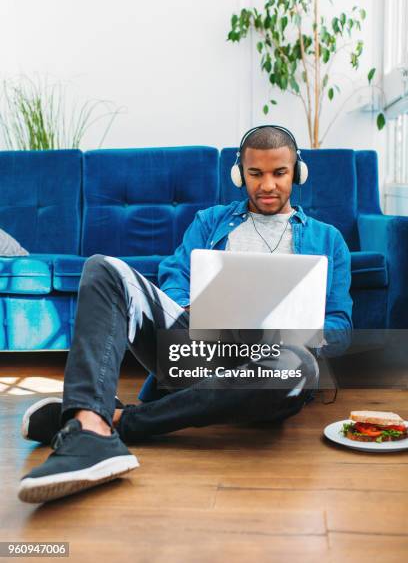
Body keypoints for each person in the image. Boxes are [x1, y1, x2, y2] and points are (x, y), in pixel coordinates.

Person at [18, 125, 352, 503]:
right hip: (197, 352)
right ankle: (92, 427)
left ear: (297, 173)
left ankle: (100, 422)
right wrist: (193, 308)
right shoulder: (209, 222)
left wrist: (309, 334)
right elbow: (173, 281)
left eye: (279, 173)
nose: (268, 185)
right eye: (256, 174)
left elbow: (340, 325)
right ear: (239, 174)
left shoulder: (329, 240)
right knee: (103, 268)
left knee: (299, 367)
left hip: (269, 369)